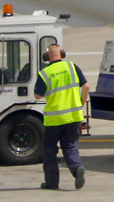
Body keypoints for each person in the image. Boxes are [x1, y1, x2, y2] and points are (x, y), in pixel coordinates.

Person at [34, 43, 89, 190]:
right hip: (74, 116)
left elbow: (37, 95)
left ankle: (52, 182)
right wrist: (80, 103)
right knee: (70, 146)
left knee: (49, 149)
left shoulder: (45, 73)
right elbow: (86, 87)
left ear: (47, 57)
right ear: (62, 54)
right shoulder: (72, 67)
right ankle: (77, 168)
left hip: (54, 119)